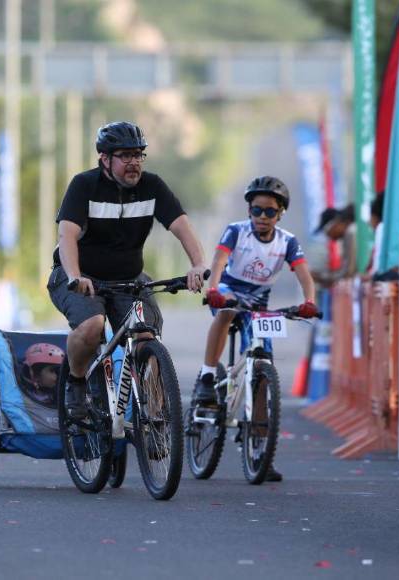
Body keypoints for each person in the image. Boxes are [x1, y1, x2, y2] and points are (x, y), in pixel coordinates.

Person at [47, 121, 206, 421]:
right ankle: (77, 382)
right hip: (79, 278)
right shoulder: (84, 185)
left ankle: (155, 412)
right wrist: (74, 276)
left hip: (130, 281)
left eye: (138, 155)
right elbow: (66, 236)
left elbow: (182, 227)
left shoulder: (152, 186)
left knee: (146, 336)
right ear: (104, 159)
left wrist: (197, 264)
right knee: (93, 325)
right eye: (125, 155)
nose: (134, 162)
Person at [194, 176, 318, 482]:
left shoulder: (287, 241)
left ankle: (261, 449)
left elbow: (303, 273)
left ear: (280, 214)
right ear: (249, 210)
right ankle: (208, 374)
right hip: (228, 290)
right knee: (225, 311)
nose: (262, 217)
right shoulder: (237, 231)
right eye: (257, 211)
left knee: (264, 371)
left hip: (259, 304)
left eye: (270, 212)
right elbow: (219, 260)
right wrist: (213, 289)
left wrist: (309, 301)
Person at [312, 203, 357, 286]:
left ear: (336, 222)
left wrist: (321, 277)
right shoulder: (348, 235)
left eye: (327, 231)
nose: (329, 236)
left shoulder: (351, 232)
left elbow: (348, 272)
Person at [20, 343, 64, 407]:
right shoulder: (22, 400)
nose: (58, 376)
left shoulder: (61, 396)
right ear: (35, 375)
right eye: (52, 371)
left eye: (59, 371)